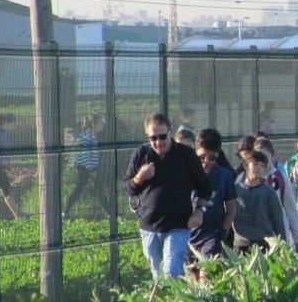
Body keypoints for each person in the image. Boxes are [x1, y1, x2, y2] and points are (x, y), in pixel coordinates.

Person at [123, 113, 210, 279]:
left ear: (170, 132)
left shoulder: (186, 155)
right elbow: (128, 187)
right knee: (158, 276)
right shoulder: (141, 154)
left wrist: (198, 210)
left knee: (171, 273)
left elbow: (204, 186)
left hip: (178, 225)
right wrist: (140, 177)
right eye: (153, 138)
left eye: (162, 137)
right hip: (149, 227)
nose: (158, 142)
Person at [187, 129, 236, 278]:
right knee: (190, 277)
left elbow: (231, 209)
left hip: (212, 234)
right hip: (187, 235)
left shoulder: (224, 175)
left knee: (206, 273)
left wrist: (223, 231)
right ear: (195, 151)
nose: (206, 161)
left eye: (212, 157)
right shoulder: (186, 173)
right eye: (202, 156)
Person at [250, 138, 298, 252]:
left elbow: (291, 210)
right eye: (257, 157)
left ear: (273, 155)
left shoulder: (280, 178)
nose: (262, 162)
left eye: (265, 157)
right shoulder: (243, 179)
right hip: (252, 237)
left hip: (278, 236)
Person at [232, 151, 286, 254]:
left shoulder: (268, 191)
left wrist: (283, 245)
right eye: (255, 164)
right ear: (245, 165)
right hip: (241, 244)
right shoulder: (235, 189)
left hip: (264, 244)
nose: (259, 168)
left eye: (262, 165)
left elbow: (277, 220)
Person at [63, 114, 109, 218]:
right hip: (86, 168)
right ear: (94, 124)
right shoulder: (90, 135)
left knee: (96, 190)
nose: (103, 125)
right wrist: (91, 169)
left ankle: (110, 213)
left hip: (88, 167)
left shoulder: (90, 134)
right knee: (81, 190)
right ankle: (65, 212)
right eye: (101, 123)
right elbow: (86, 153)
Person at [0, 114, 20, 219]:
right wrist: (7, 165)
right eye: (13, 124)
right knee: (8, 192)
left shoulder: (0, 132)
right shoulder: (0, 133)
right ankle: (18, 217)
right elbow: (3, 153)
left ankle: (18, 216)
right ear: (6, 123)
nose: (14, 126)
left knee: (7, 192)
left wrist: (8, 166)